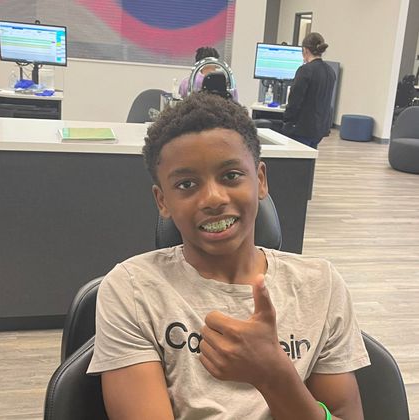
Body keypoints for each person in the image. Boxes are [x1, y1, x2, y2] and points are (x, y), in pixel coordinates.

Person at [87, 92, 370, 419]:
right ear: (162, 201)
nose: (213, 198)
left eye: (231, 176)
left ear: (260, 180)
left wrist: (273, 374)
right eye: (187, 184)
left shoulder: (320, 285)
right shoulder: (133, 290)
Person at [282, 32, 336, 149]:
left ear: (305, 50)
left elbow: (295, 100)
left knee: (297, 163)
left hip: (302, 128)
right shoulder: (330, 71)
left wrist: (286, 119)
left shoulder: (305, 70)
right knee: (308, 162)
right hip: (319, 129)